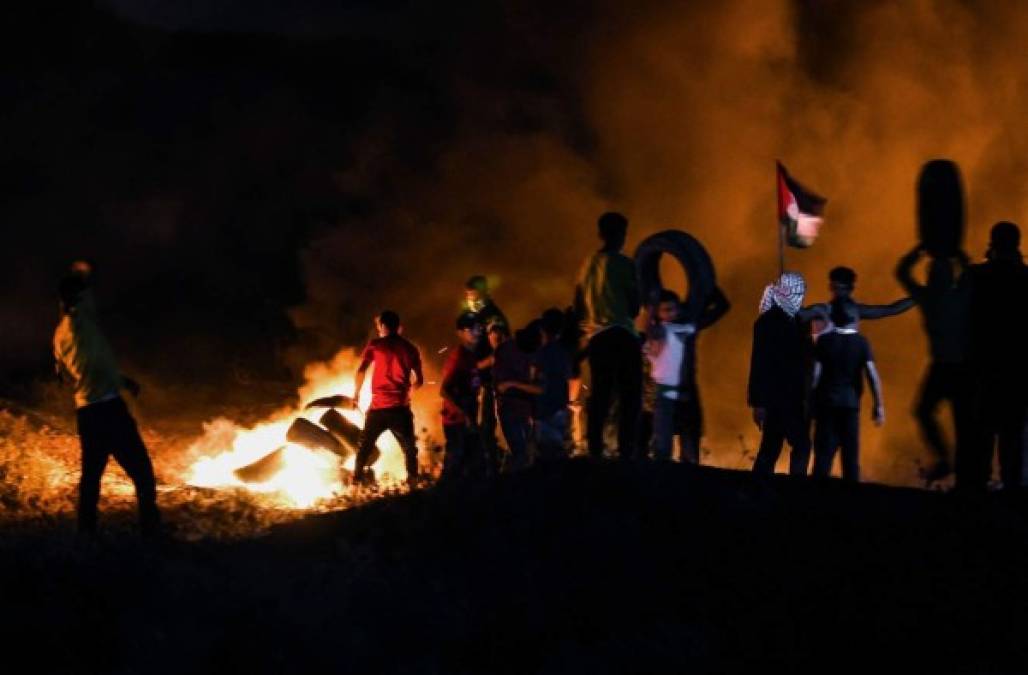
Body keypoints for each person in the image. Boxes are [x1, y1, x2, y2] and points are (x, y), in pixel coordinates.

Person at [53, 262, 161, 537]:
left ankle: (86, 534)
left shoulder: (60, 334)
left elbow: (66, 372)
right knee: (143, 475)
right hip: (109, 410)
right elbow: (98, 366)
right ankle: (151, 534)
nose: (93, 299)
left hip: (87, 413)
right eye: (87, 295)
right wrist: (81, 274)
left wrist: (121, 380)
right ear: (78, 301)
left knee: (91, 478)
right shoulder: (83, 328)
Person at [895, 245, 972, 484]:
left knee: (928, 413)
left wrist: (922, 249)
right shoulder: (958, 294)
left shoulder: (930, 297)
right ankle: (957, 468)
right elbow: (970, 273)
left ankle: (955, 466)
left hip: (951, 367)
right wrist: (957, 253)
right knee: (956, 421)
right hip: (954, 367)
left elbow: (902, 272)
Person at [964, 222, 1028, 492]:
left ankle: (975, 497)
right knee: (1013, 438)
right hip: (1017, 369)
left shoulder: (976, 276)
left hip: (982, 367)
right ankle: (1012, 498)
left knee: (981, 435)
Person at [574, 211, 642, 459]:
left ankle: (594, 450)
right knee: (630, 395)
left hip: (597, 338)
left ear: (600, 234)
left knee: (600, 394)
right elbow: (634, 308)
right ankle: (626, 452)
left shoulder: (587, 264)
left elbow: (578, 303)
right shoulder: (625, 264)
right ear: (622, 235)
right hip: (622, 333)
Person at [810, 302, 885, 482]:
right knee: (850, 458)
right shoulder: (862, 343)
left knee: (823, 456)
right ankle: (850, 502)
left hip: (826, 405)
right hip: (850, 406)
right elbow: (872, 375)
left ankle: (813, 501)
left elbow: (815, 374)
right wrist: (879, 405)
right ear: (855, 320)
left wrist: (810, 400)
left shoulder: (824, 341)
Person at [748, 272, 813, 476]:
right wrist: (758, 403)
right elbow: (759, 363)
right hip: (777, 396)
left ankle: (757, 488)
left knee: (771, 446)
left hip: (792, 395)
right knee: (798, 444)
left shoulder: (796, 321)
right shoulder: (768, 323)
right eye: (797, 292)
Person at [351, 310, 424, 487]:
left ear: (383, 326)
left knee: (364, 446)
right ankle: (413, 482)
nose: (378, 330)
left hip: (378, 408)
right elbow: (419, 381)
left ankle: (356, 480)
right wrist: (408, 394)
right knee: (409, 448)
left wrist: (356, 394)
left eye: (378, 326)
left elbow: (361, 370)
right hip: (400, 408)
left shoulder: (375, 345)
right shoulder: (410, 348)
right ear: (398, 327)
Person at [643, 290, 698, 461]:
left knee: (685, 432)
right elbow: (652, 332)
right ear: (658, 313)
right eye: (665, 310)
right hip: (663, 391)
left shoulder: (679, 329)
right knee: (663, 434)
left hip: (682, 390)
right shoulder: (659, 332)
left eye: (672, 309)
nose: (669, 313)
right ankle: (663, 465)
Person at [462, 275, 507, 476]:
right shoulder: (477, 316)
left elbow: (501, 350)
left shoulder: (493, 317)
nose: (470, 299)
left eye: (473, 295)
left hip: (493, 380)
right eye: (468, 295)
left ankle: (495, 470)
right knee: (481, 426)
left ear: (484, 293)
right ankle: (489, 466)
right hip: (480, 380)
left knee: (489, 425)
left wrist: (480, 365)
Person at [439, 313, 485, 482]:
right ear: (460, 332)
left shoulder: (471, 354)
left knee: (471, 463)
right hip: (456, 420)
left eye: (478, 328)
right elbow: (444, 390)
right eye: (471, 329)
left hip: (467, 418)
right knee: (455, 463)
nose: (477, 332)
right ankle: (441, 498)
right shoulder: (458, 356)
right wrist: (465, 414)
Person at [800, 266, 915, 330]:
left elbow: (892, 309)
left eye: (844, 288)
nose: (841, 293)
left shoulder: (856, 311)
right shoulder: (818, 311)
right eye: (838, 288)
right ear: (832, 287)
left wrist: (921, 296)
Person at [490, 322, 535, 471]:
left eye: (491, 335)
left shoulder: (501, 351)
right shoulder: (526, 350)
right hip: (526, 405)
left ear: (498, 335)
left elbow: (499, 382)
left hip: (509, 405)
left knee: (517, 450)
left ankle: (518, 485)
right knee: (528, 447)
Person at [531, 308, 574, 461]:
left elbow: (534, 380)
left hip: (544, 410)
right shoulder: (564, 353)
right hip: (560, 408)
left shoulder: (540, 354)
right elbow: (569, 378)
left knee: (545, 454)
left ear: (542, 329)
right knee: (558, 451)